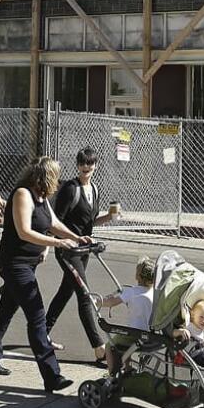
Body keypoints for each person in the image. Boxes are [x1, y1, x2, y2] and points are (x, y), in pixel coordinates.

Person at [0, 157, 90, 393]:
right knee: (37, 315)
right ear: (46, 177)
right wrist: (57, 244)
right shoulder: (22, 195)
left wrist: (76, 238)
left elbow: (54, 223)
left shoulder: (41, 198)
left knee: (6, 308)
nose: (58, 182)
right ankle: (52, 376)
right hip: (14, 263)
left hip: (29, 263)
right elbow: (24, 232)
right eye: (55, 177)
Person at [45, 147, 121, 365]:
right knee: (85, 296)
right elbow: (56, 222)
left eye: (90, 163)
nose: (86, 167)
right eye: (82, 163)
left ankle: (42, 332)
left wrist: (109, 216)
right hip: (68, 250)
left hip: (84, 250)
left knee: (66, 292)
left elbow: (89, 222)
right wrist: (55, 244)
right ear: (77, 165)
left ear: (95, 165)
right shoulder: (70, 188)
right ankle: (98, 348)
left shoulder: (94, 189)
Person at [98, 255, 156, 373]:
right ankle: (128, 368)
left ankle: (112, 374)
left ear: (137, 276)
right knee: (126, 337)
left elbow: (111, 302)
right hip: (152, 337)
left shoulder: (131, 292)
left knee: (111, 345)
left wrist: (97, 302)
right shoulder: (155, 293)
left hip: (135, 336)